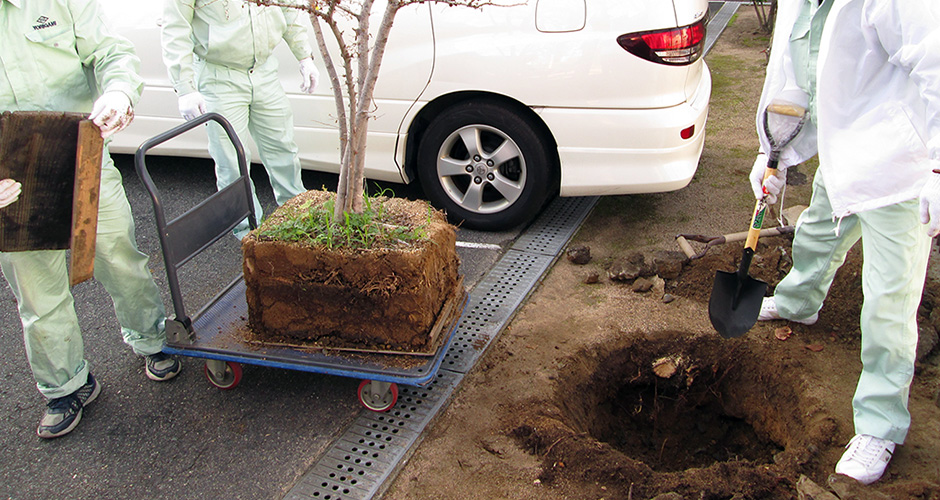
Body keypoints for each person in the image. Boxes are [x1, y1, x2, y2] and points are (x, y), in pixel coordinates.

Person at [750, 0, 940, 485]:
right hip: (844, 153)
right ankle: (798, 301)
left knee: (888, 301)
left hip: (898, 168)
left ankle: (880, 424)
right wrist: (773, 155)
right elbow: (794, 75)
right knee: (816, 232)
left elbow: (935, 59)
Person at [0, 0, 181, 439]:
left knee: (118, 254)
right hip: (8, 177)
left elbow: (110, 51)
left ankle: (151, 338)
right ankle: (65, 386)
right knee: (38, 291)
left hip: (83, 155)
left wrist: (119, 90)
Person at [160, 0, 320, 239]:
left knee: (283, 148)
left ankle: (298, 219)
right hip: (218, 75)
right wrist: (184, 87)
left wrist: (305, 56)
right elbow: (176, 27)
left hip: (264, 71)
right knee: (231, 161)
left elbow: (288, 9)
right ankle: (248, 234)